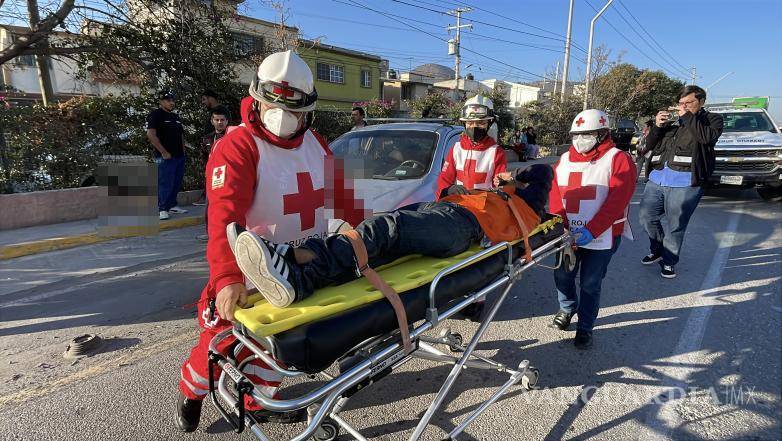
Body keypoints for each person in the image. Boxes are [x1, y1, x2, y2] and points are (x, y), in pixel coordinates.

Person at [175, 50, 366, 432]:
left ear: (308, 111)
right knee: (220, 344)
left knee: (280, 345)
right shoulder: (238, 146)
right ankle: (192, 392)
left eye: (292, 110)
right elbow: (223, 217)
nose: (281, 117)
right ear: (257, 99)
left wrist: (365, 239)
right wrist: (227, 277)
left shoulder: (315, 144)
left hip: (298, 272)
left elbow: (344, 198)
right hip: (246, 273)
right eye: (272, 106)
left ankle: (257, 401)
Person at [228, 164, 553, 308]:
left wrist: (512, 176)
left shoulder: (529, 205)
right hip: (449, 212)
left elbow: (543, 172)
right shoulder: (505, 199)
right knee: (376, 245)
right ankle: (301, 276)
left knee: (385, 229)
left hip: (464, 224)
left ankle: (296, 258)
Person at [546, 109, 636, 349]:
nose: (580, 140)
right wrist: (560, 225)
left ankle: (585, 327)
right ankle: (567, 308)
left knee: (590, 283)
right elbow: (555, 195)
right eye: (576, 135)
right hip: (568, 234)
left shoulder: (618, 159)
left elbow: (618, 200)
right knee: (562, 276)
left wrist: (593, 230)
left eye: (587, 134)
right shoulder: (565, 159)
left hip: (603, 236)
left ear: (603, 133)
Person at [638, 85, 723, 279]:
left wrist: (687, 117)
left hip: (685, 182)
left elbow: (706, 138)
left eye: (688, 103)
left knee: (675, 224)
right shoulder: (672, 121)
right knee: (646, 217)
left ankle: (669, 261)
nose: (682, 107)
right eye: (680, 103)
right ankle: (658, 250)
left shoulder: (712, 120)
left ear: (701, 102)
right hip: (657, 178)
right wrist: (657, 126)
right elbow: (648, 146)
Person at [436, 95, 508, 199]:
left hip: (485, 205)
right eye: (470, 123)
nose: (474, 127)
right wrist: (448, 189)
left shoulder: (496, 152)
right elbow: (444, 178)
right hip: (460, 203)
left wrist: (503, 183)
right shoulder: (456, 149)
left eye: (480, 123)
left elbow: (501, 184)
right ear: (464, 123)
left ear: (489, 123)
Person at [147, 90, 188, 220]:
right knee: (165, 183)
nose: (171, 102)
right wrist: (163, 152)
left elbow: (181, 135)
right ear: (161, 101)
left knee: (176, 182)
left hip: (179, 155)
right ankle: (162, 209)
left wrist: (183, 151)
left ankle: (172, 205)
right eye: (168, 100)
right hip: (165, 157)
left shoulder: (175, 116)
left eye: (172, 100)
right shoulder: (155, 115)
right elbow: (151, 135)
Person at [195, 107, 230, 242]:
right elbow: (203, 158)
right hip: (213, 178)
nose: (220, 122)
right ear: (212, 121)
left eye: (222, 120)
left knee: (227, 206)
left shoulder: (233, 137)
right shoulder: (207, 139)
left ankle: (229, 233)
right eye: (217, 120)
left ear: (227, 121)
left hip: (230, 177)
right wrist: (206, 174)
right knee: (210, 206)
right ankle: (210, 232)